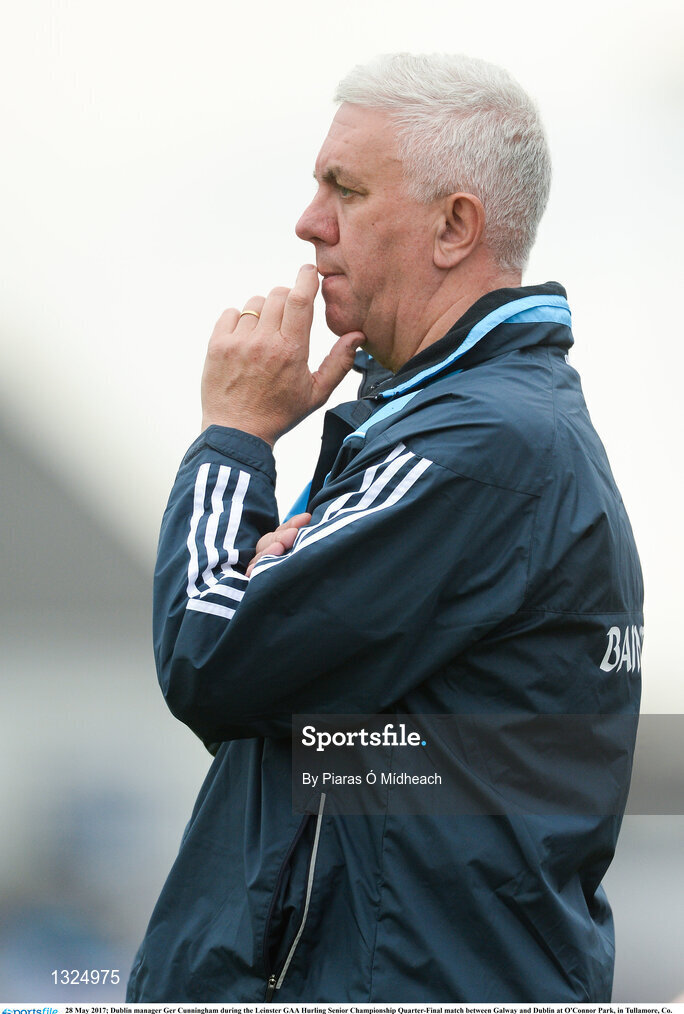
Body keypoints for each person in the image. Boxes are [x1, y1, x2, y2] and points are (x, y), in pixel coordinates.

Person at [127, 53, 642, 1002]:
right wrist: (270, 583)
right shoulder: (457, 431)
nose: (308, 222)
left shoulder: (477, 450)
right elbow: (291, 714)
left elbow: (209, 648)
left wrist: (232, 439)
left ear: (455, 227)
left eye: (345, 189)